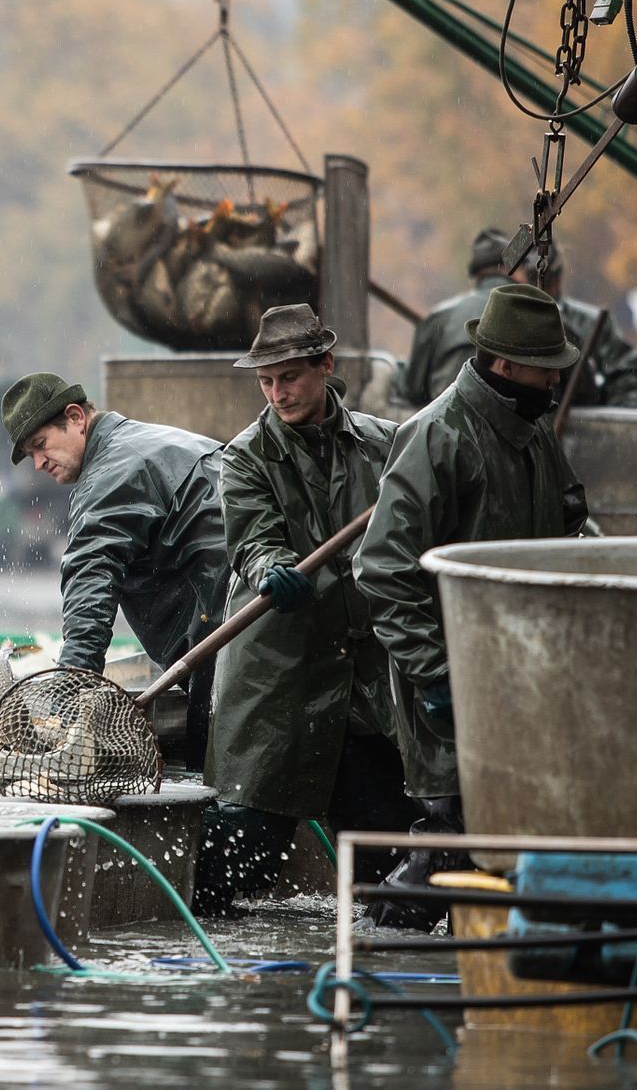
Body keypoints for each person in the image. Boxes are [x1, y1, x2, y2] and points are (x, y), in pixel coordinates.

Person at [355, 284, 588, 920]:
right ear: (506, 367)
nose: (556, 380)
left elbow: (571, 525)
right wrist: (436, 673)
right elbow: (381, 569)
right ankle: (377, 969)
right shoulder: (436, 436)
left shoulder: (533, 434)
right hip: (451, 681)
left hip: (524, 674)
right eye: (548, 368)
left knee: (506, 837)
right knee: (447, 840)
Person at [195, 306, 418, 915]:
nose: (278, 393)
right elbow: (252, 539)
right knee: (239, 858)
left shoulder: (386, 446)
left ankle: (373, 975)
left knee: (386, 864)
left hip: (364, 685)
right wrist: (270, 567)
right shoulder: (245, 457)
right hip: (277, 682)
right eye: (266, 381)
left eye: (289, 376)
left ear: (326, 365)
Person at [3, 371, 227, 768]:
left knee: (221, 791)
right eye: (29, 454)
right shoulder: (159, 439)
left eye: (41, 445)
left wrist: (71, 688)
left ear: (75, 417)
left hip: (223, 641)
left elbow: (90, 583)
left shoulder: (108, 477)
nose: (37, 464)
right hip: (246, 626)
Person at [508, 244, 637, 408]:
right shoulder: (503, 323)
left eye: (543, 282)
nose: (536, 292)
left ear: (557, 282)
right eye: (528, 283)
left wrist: (603, 426)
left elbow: (631, 382)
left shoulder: (592, 324)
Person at [391, 228, 513, 407]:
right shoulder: (543, 314)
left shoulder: (440, 317)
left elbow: (412, 389)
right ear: (511, 268)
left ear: (476, 274)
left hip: (449, 424)